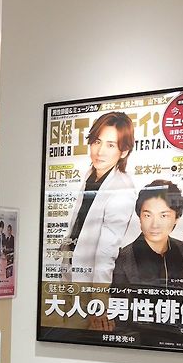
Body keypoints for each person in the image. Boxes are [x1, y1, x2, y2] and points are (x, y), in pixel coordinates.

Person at [59, 111, 136, 283]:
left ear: (124, 151)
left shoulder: (122, 189)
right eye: (97, 142)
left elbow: (106, 252)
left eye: (111, 145)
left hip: (90, 280)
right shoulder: (91, 174)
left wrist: (99, 292)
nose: (100, 151)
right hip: (71, 268)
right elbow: (79, 220)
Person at [112, 180, 183, 287]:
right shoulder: (123, 259)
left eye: (163, 216)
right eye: (148, 215)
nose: (154, 225)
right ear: (139, 217)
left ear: (177, 218)